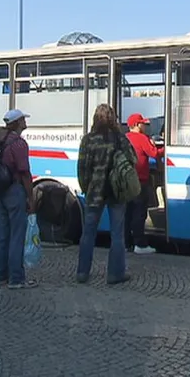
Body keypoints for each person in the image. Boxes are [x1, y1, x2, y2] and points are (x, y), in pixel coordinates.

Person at [0, 109, 37, 290]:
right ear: (17, 123)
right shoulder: (19, 144)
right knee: (17, 236)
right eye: (23, 120)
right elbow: (24, 172)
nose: (25, 122)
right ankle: (16, 279)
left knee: (3, 236)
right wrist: (30, 197)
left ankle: (0, 275)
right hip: (14, 191)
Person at [76, 104, 133, 284]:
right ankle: (115, 274)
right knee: (117, 234)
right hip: (116, 191)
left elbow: (82, 167)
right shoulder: (119, 138)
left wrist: (86, 187)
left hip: (94, 192)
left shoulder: (88, 140)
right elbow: (133, 159)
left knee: (88, 233)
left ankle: (82, 273)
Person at [124, 113, 164, 254]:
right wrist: (165, 148)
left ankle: (126, 244)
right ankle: (139, 244)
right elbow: (154, 153)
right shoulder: (141, 138)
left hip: (126, 182)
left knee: (127, 214)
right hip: (140, 182)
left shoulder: (125, 138)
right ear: (136, 125)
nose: (145, 126)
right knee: (139, 214)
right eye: (143, 124)